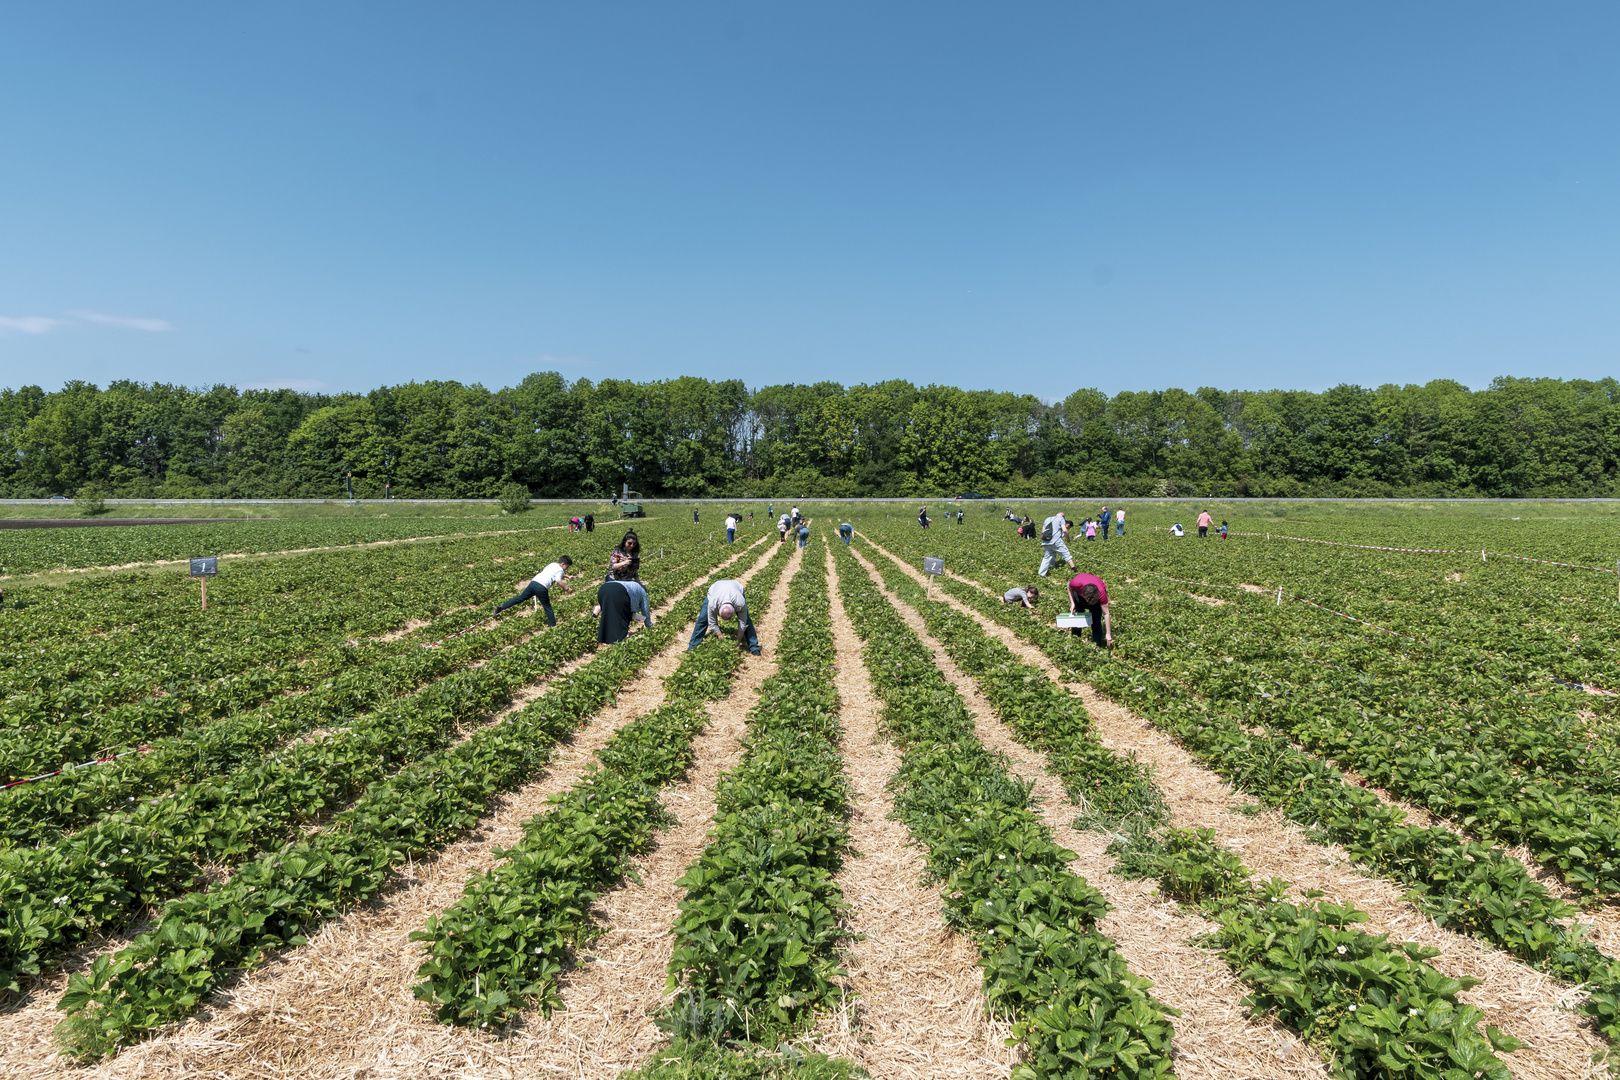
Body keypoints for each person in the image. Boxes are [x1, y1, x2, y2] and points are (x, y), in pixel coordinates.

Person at [689, 578, 760, 654]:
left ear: (735, 609)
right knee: (703, 619)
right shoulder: (713, 603)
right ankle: (692, 647)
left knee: (747, 620)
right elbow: (712, 622)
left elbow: (743, 623)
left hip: (736, 588)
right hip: (715, 588)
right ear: (718, 609)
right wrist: (719, 635)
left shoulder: (740, 603)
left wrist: (738, 642)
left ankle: (754, 647)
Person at [495, 556, 572, 625]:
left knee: (520, 598)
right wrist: (567, 588)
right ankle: (553, 626)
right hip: (542, 586)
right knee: (547, 607)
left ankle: (500, 607)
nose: (567, 569)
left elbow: (552, 573)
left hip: (534, 582)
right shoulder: (561, 570)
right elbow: (558, 580)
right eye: (567, 567)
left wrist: (567, 576)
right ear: (563, 564)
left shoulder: (552, 564)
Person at [1067, 572, 1113, 648]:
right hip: (1079, 594)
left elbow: (1106, 613)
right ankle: (1075, 642)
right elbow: (1068, 587)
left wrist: (1108, 634)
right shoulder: (1076, 583)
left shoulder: (1101, 594)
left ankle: (1098, 646)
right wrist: (1072, 603)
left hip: (1096, 594)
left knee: (1096, 621)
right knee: (1077, 618)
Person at [596, 580, 635, 645]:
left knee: (610, 616)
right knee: (619, 619)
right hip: (615, 593)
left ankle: (610, 639)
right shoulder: (636, 592)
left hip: (604, 590)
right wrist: (645, 621)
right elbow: (633, 608)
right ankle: (617, 640)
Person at [1038, 511, 1074, 577]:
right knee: (1067, 555)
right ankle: (1075, 571)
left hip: (1046, 541)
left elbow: (1043, 532)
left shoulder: (1047, 519)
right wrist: (1068, 538)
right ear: (1063, 516)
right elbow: (1065, 530)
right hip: (1056, 541)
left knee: (1046, 558)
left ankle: (1041, 574)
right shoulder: (1061, 519)